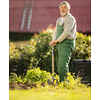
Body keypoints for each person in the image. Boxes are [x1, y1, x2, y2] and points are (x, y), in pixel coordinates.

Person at [49, 1, 77, 82]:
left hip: (67, 43)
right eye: (61, 8)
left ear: (69, 9)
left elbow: (66, 32)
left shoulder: (70, 19)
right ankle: (61, 82)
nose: (63, 9)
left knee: (63, 65)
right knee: (59, 65)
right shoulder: (59, 20)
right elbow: (55, 32)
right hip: (59, 43)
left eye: (65, 8)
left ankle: (65, 83)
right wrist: (54, 40)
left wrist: (57, 40)